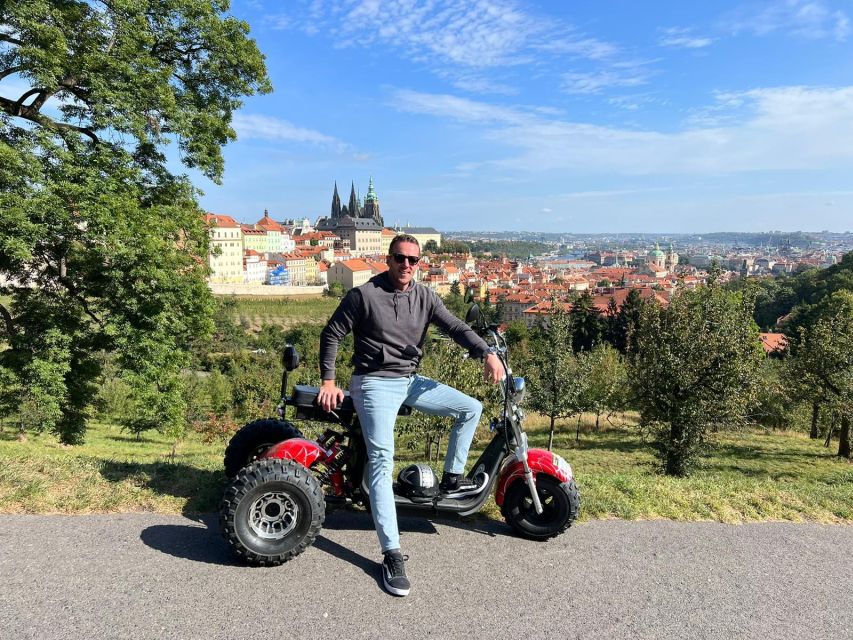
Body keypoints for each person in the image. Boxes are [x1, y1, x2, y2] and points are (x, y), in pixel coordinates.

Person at [318, 234, 503, 597]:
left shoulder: (425, 297)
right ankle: (392, 553)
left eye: (413, 260)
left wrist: (487, 353)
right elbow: (333, 333)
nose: (407, 265)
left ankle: (451, 479)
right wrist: (328, 380)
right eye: (400, 258)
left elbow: (456, 327)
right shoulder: (364, 295)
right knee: (383, 460)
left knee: (470, 408)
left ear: (420, 263)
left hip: (409, 380)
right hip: (373, 382)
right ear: (389, 259)